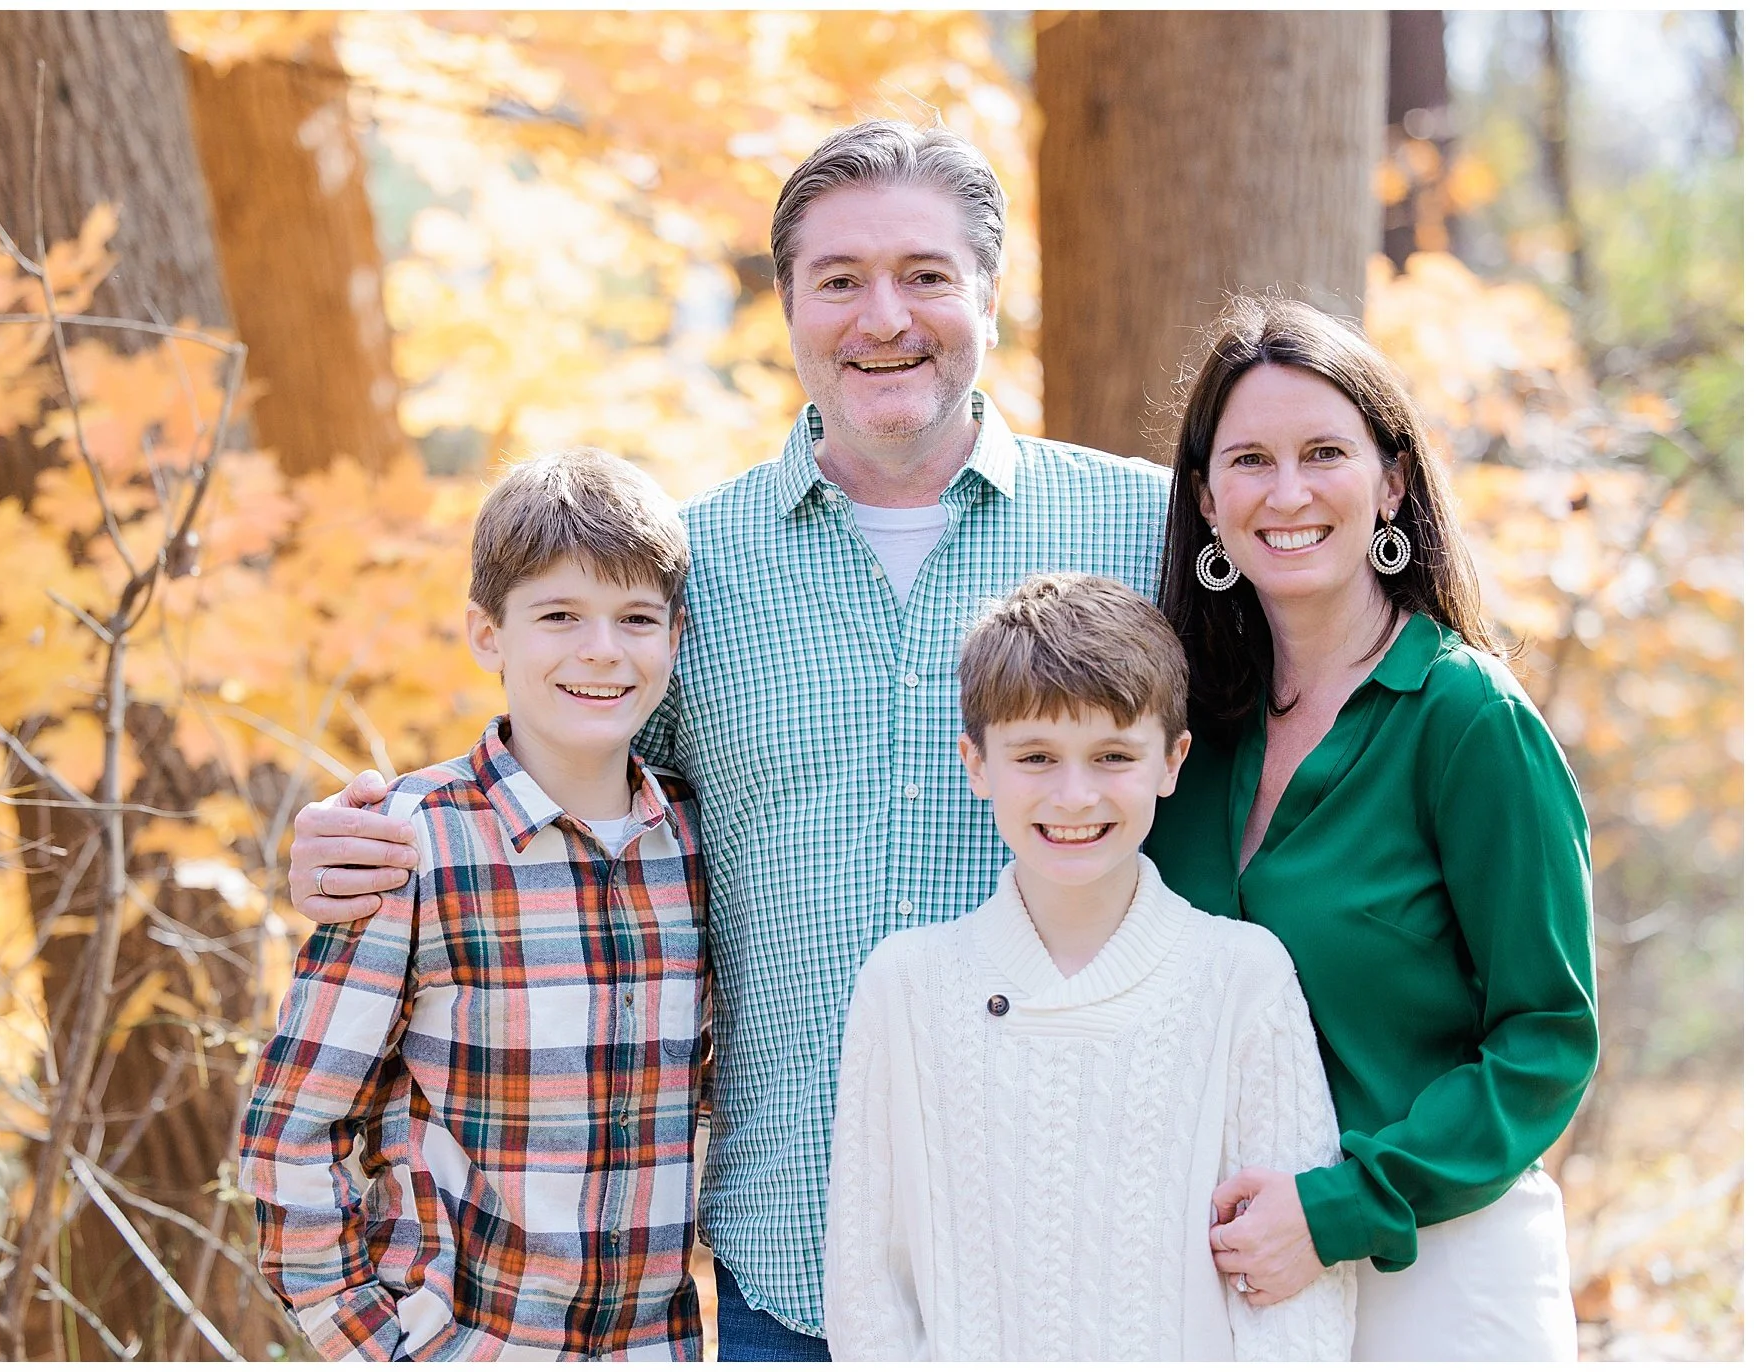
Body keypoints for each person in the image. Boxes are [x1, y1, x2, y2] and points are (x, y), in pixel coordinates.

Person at [286, 120, 1171, 1359]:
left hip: (1082, 1254)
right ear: (787, 305)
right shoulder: (689, 570)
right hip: (788, 1265)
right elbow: (560, 794)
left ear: (988, 290)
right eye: (838, 280)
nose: (883, 318)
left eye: (923, 274)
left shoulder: (1148, 531)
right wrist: (362, 840)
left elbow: (1273, 777)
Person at [1144, 295, 1598, 1360]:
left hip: (1439, 1267)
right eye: (1249, 460)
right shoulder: (1183, 735)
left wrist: (1343, 1206)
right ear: (1206, 498)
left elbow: (1545, 1038)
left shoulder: (1467, 719)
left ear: (1390, 480)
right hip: (1227, 1283)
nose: (1287, 492)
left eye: (1323, 453)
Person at [239, 449, 709, 1360]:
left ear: (675, 635)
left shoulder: (692, 843)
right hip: (468, 1341)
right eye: (559, 615)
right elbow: (293, 1129)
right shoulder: (408, 844)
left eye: (636, 618)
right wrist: (381, 1345)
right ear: (488, 634)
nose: (602, 649)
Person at [822, 572, 1356, 1361]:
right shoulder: (906, 987)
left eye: (1112, 755)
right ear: (976, 764)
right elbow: (868, 1288)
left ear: (1172, 760)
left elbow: (1296, 1309)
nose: (1074, 796)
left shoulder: (1242, 978)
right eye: (1036, 756)